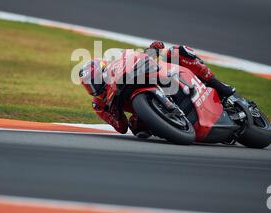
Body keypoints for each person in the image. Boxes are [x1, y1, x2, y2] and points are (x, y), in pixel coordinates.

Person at [79, 41, 235, 139]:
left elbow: (139, 59)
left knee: (177, 52)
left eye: (96, 80)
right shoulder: (99, 105)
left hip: (162, 76)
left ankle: (219, 85)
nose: (95, 87)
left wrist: (152, 50)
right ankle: (172, 124)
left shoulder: (118, 67)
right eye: (90, 86)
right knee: (138, 130)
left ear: (105, 70)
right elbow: (121, 127)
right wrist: (114, 113)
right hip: (144, 106)